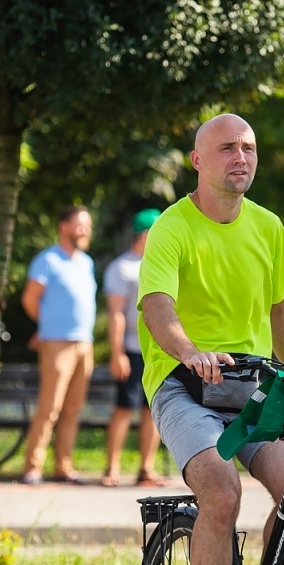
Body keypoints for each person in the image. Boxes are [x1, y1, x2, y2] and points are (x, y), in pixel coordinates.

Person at [139, 112, 284, 565]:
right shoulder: (172, 228)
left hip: (254, 385)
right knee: (222, 487)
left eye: (250, 148)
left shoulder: (268, 227)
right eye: (228, 148)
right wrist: (189, 351)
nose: (242, 157)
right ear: (199, 161)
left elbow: (280, 309)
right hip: (186, 384)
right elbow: (158, 306)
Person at [19, 205, 97, 484]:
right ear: (63, 227)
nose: (85, 230)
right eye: (80, 225)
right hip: (56, 344)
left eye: (87, 225)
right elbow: (30, 299)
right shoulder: (47, 260)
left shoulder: (86, 262)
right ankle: (33, 467)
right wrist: (48, 326)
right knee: (49, 407)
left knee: (73, 409)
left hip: (84, 344)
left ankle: (63, 466)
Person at [102, 208, 165, 487]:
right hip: (131, 349)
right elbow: (115, 313)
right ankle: (112, 468)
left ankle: (146, 468)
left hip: (159, 352)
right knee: (124, 408)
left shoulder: (164, 264)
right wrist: (116, 353)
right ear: (145, 234)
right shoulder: (122, 267)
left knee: (154, 410)